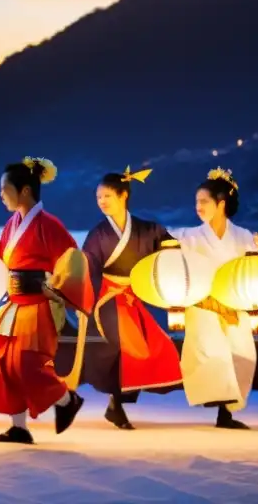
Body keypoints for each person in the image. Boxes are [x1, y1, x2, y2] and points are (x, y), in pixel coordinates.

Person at [0, 157, 94, 444]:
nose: (0, 195)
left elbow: (72, 259)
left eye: (4, 188)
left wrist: (57, 288)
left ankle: (65, 400)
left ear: (23, 191)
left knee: (25, 363)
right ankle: (18, 426)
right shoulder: (13, 223)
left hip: (38, 304)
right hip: (15, 302)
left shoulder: (49, 225)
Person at [67, 167, 183, 430]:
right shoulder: (98, 234)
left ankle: (116, 404)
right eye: (98, 198)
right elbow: (88, 268)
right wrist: (83, 300)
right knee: (124, 347)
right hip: (106, 298)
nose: (102, 202)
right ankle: (116, 405)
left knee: (155, 347)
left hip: (131, 297)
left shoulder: (147, 228)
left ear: (123, 195)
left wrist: (171, 247)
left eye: (107, 195)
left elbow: (168, 248)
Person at [169, 167, 258, 429]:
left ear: (221, 204)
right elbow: (162, 250)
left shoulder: (245, 237)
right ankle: (220, 406)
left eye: (204, 202)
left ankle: (227, 410)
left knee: (242, 356)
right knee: (213, 355)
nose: (197, 206)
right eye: (196, 202)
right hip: (204, 306)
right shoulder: (186, 236)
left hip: (234, 306)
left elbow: (255, 272)